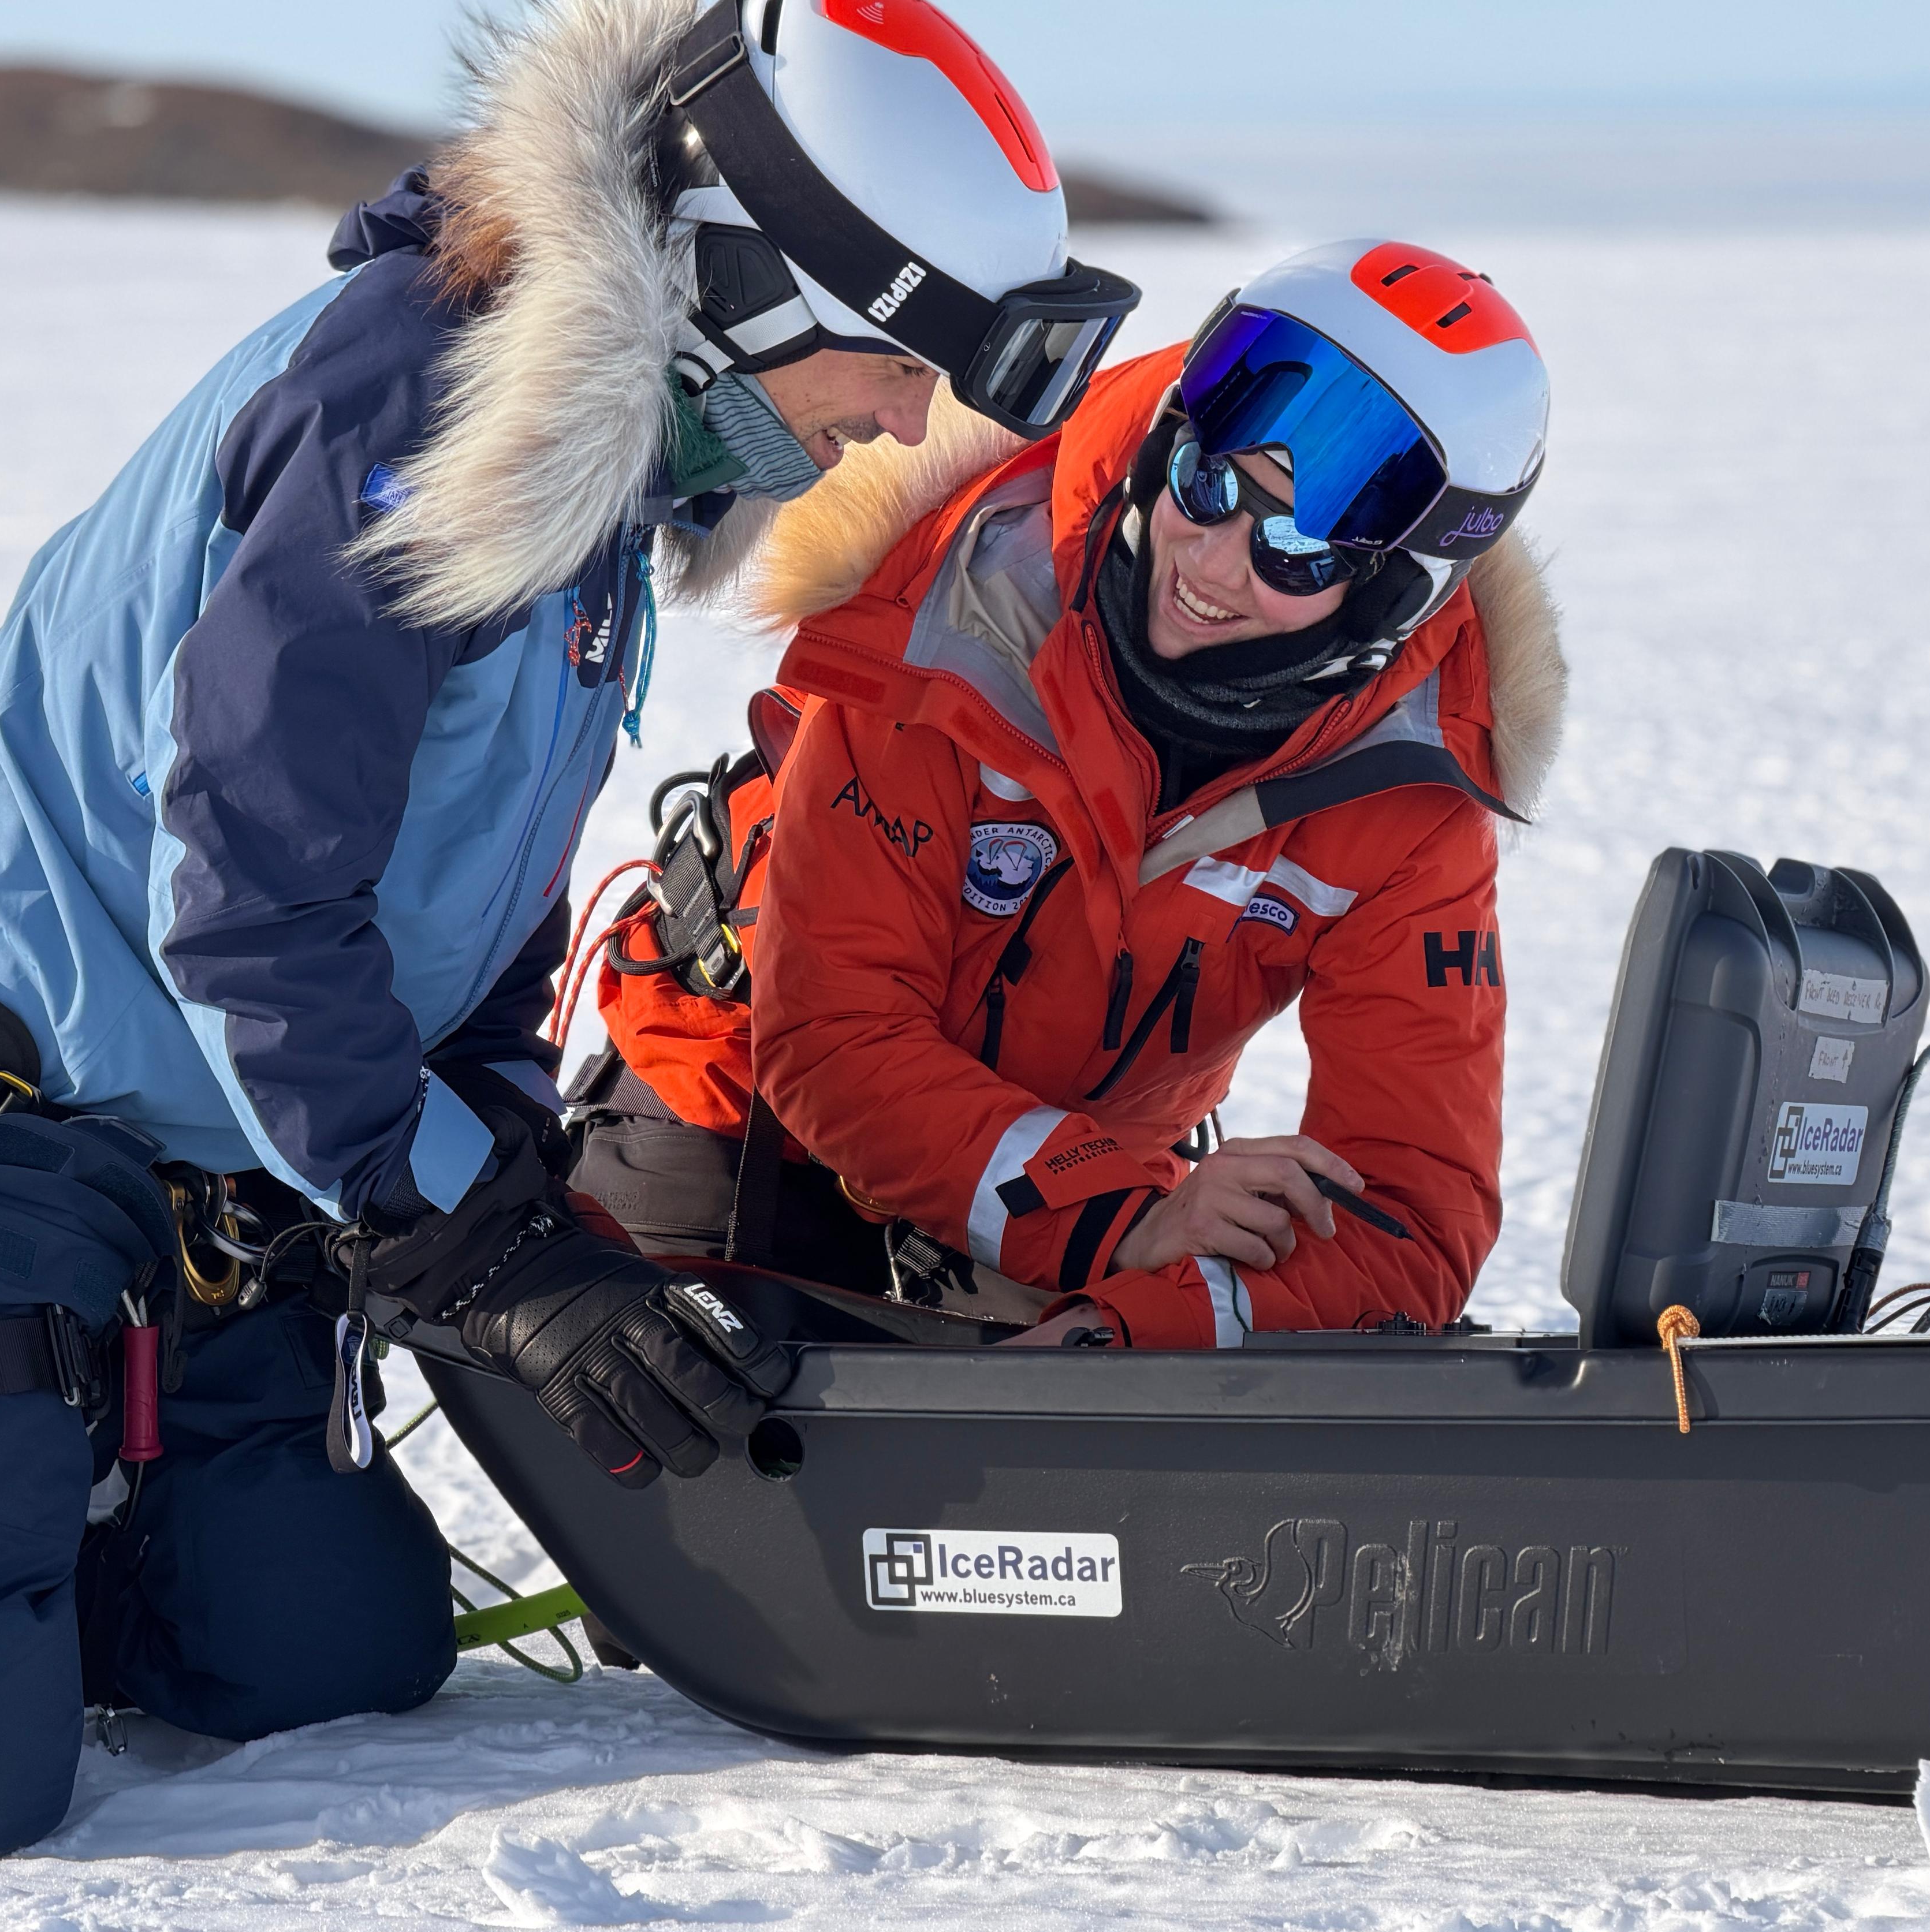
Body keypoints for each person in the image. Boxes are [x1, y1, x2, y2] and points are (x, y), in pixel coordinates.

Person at [0, 0, 1144, 1853]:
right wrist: (472, 1247)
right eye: (897, 362)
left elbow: (462, 918)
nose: (906, 424)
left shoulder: (587, 476)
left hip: (211, 1157)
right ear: (741, 278)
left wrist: (503, 1170)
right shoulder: (420, 415)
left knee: (321, 1657)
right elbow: (245, 907)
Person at [573, 238, 1564, 1343]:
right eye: (1208, 483)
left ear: (1390, 594)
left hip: (1086, 1166)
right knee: (683, 1421)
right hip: (743, 1088)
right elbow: (840, 1041)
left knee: (1104, 1462)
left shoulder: (1411, 796)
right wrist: (1120, 1228)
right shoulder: (947, 622)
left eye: (1294, 546)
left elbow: (1409, 1205)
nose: (1215, 562)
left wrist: (1152, 1317)